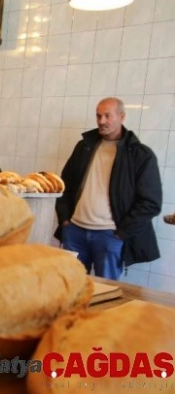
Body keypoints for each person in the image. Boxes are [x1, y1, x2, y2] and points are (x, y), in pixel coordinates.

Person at [55, 97, 162, 280]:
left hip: (110, 236)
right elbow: (64, 184)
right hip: (75, 232)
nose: (101, 121)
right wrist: (65, 221)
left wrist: (121, 234)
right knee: (72, 288)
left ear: (122, 116)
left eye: (107, 116)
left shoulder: (140, 155)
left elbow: (150, 202)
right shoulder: (84, 147)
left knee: (107, 293)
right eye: (98, 116)